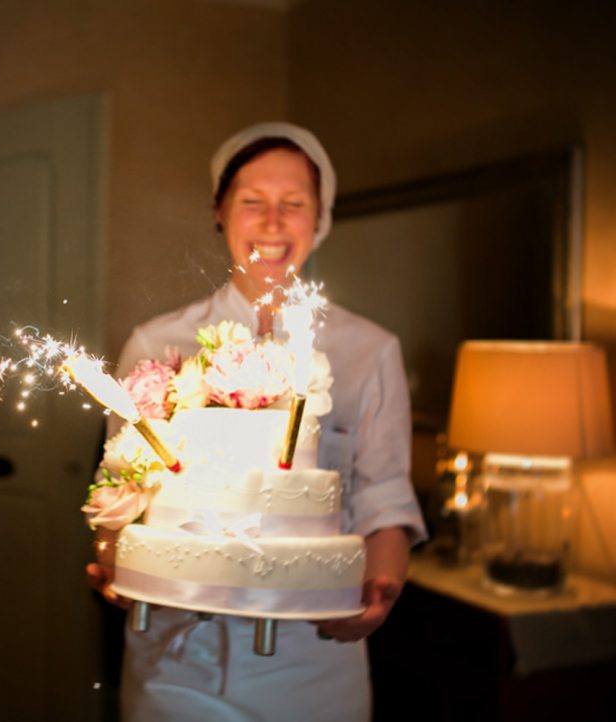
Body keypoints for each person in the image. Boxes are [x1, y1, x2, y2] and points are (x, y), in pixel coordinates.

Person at [86, 122, 428, 721]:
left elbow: (385, 496)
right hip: (174, 653)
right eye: (252, 202)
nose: (273, 223)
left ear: (318, 219)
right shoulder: (156, 342)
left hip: (312, 661)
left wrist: (381, 594)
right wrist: (114, 556)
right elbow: (121, 487)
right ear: (219, 212)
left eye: (293, 205)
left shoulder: (369, 350)